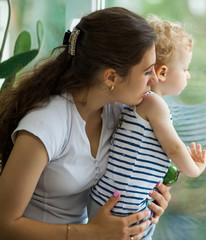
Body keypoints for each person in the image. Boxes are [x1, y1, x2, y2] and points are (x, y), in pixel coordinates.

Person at [0, 7, 172, 240]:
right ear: (111, 77)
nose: (154, 81)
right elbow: (5, 225)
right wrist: (89, 233)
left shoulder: (117, 113)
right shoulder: (47, 124)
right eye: (147, 72)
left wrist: (147, 200)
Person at [88, 15, 206, 239]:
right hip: (124, 206)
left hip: (107, 198)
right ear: (162, 73)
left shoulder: (137, 102)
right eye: (185, 69)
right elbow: (174, 148)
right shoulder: (154, 104)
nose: (188, 75)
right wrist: (195, 169)